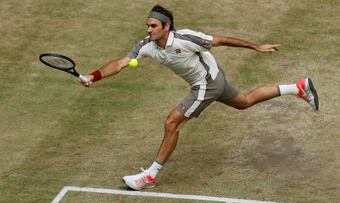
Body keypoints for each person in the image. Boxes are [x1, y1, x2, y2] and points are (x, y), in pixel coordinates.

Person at [80, 4, 319, 190]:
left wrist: (255, 47)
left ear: (166, 27)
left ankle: (150, 176)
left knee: (171, 123)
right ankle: (298, 87)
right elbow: (121, 63)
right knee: (244, 102)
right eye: (148, 26)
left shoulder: (185, 38)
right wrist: (93, 75)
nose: (148, 30)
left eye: (153, 26)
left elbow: (221, 40)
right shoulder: (146, 45)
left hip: (206, 84)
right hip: (216, 79)